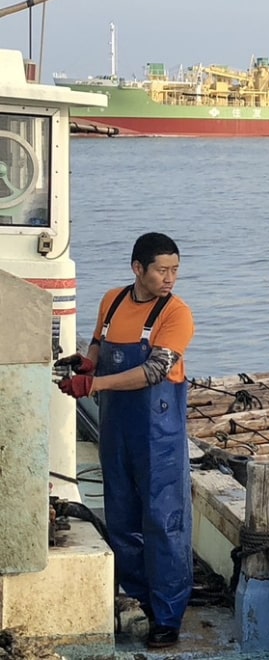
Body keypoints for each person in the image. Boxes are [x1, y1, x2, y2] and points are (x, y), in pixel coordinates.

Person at [57, 232, 195, 649]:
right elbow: (99, 346)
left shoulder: (177, 314)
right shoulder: (112, 300)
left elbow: (154, 372)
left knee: (164, 521)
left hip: (159, 433)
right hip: (116, 429)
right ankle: (137, 599)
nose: (170, 278)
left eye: (175, 270)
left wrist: (94, 385)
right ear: (138, 268)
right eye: (161, 270)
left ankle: (167, 616)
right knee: (121, 516)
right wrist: (84, 364)